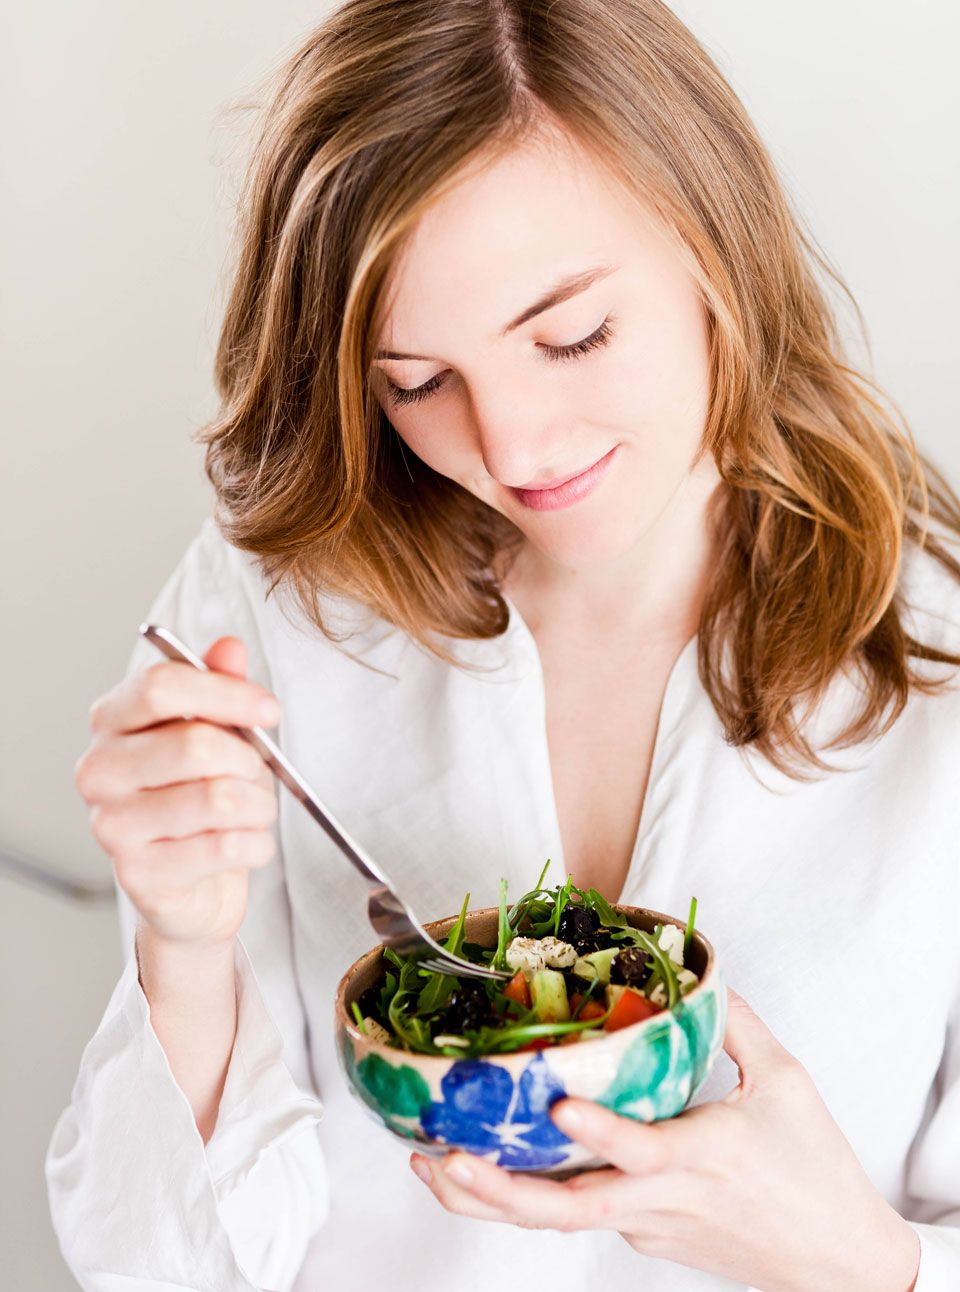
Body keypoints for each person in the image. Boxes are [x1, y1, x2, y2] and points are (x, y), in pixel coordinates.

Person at [45, 2, 960, 1289]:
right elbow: (158, 1268)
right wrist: (183, 949)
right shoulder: (278, 614)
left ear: (719, 247)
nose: (516, 449)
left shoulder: (938, 658)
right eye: (416, 381)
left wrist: (865, 1258)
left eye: (572, 333)